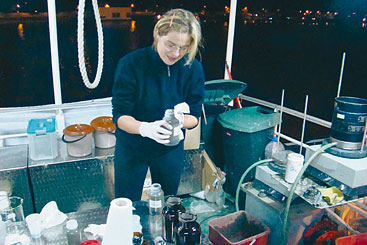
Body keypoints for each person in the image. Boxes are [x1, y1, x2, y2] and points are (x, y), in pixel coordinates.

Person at [112, 8, 205, 201]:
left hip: (169, 149)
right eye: (170, 44)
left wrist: (180, 120)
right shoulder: (130, 64)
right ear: (157, 34)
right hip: (132, 148)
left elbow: (194, 117)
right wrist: (146, 128)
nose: (176, 53)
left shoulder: (193, 68)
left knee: (168, 201)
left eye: (185, 47)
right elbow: (120, 116)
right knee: (127, 203)